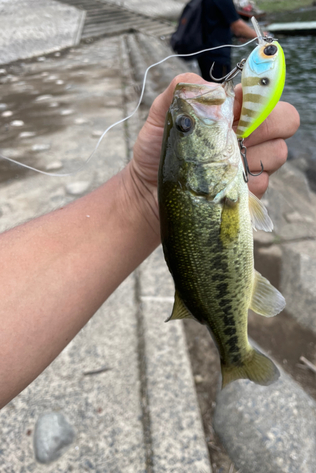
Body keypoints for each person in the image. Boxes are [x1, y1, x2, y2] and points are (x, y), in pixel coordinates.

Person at [0, 73, 300, 409]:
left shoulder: (205, 184)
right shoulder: (209, 185)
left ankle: (234, 354)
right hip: (222, 196)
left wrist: (139, 193)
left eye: (182, 125)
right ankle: (237, 356)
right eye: (185, 126)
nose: (185, 121)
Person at [198, 0, 258, 81]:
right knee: (221, 89)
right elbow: (238, 26)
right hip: (217, 55)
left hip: (204, 51)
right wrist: (262, 36)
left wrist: (238, 34)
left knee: (209, 84)